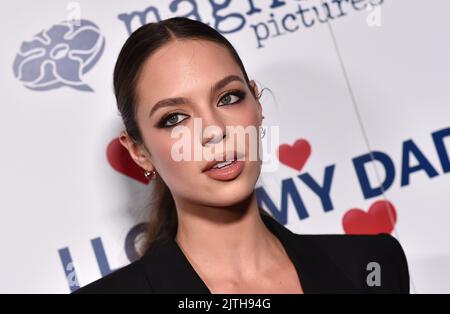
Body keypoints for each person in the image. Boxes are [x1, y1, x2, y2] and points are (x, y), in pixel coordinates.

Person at [74, 17, 409, 294]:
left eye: (229, 97)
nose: (215, 130)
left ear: (257, 104)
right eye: (174, 117)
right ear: (139, 152)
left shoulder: (374, 264)